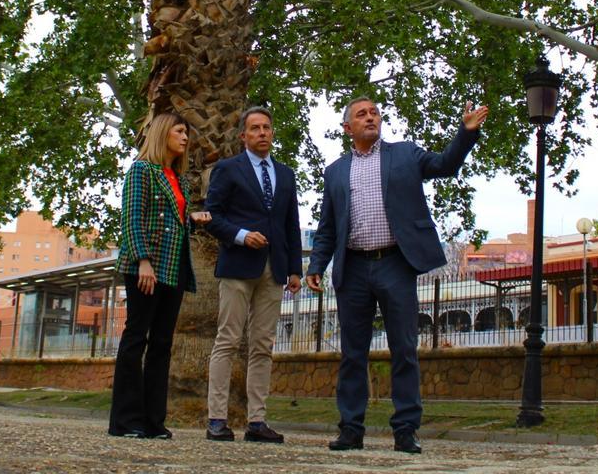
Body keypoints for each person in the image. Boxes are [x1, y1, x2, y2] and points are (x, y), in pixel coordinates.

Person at [305, 96, 488, 454]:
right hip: (353, 267)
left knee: (403, 348)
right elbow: (327, 227)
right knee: (352, 353)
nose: (371, 117)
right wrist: (316, 266)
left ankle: (405, 429)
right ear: (347, 128)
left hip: (395, 264)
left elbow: (445, 165)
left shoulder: (405, 154)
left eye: (374, 112)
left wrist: (465, 134)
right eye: (362, 114)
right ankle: (350, 429)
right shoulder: (335, 172)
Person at [108, 113, 211, 440]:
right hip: (147, 266)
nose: (185, 138)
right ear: (164, 133)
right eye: (180, 131)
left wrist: (191, 219)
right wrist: (142, 261)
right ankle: (124, 422)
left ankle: (154, 422)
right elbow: (131, 219)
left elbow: (170, 222)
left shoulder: (176, 178)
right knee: (136, 337)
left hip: (175, 267)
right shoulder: (141, 171)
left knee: (162, 344)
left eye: (186, 133)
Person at [204, 107, 302, 444]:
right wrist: (242, 235)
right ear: (243, 135)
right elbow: (211, 216)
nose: (262, 133)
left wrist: (294, 269)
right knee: (228, 341)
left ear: (273, 133)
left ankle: (256, 422)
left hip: (274, 269)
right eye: (254, 128)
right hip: (237, 264)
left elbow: (291, 224)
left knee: (263, 345)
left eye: (266, 128)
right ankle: (217, 418)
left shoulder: (286, 174)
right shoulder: (228, 169)